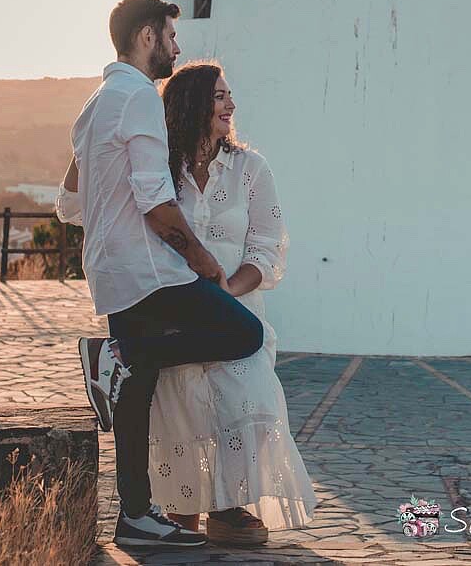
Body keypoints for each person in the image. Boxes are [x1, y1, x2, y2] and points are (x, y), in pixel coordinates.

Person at [60, 62, 317, 546]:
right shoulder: (158, 165)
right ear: (190, 104)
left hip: (227, 308)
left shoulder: (250, 169)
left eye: (229, 96)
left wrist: (224, 292)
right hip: (171, 309)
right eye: (219, 96)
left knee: (244, 397)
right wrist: (86, 146)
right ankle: (182, 504)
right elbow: (73, 207)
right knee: (179, 409)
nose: (231, 105)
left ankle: (228, 503)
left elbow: (267, 246)